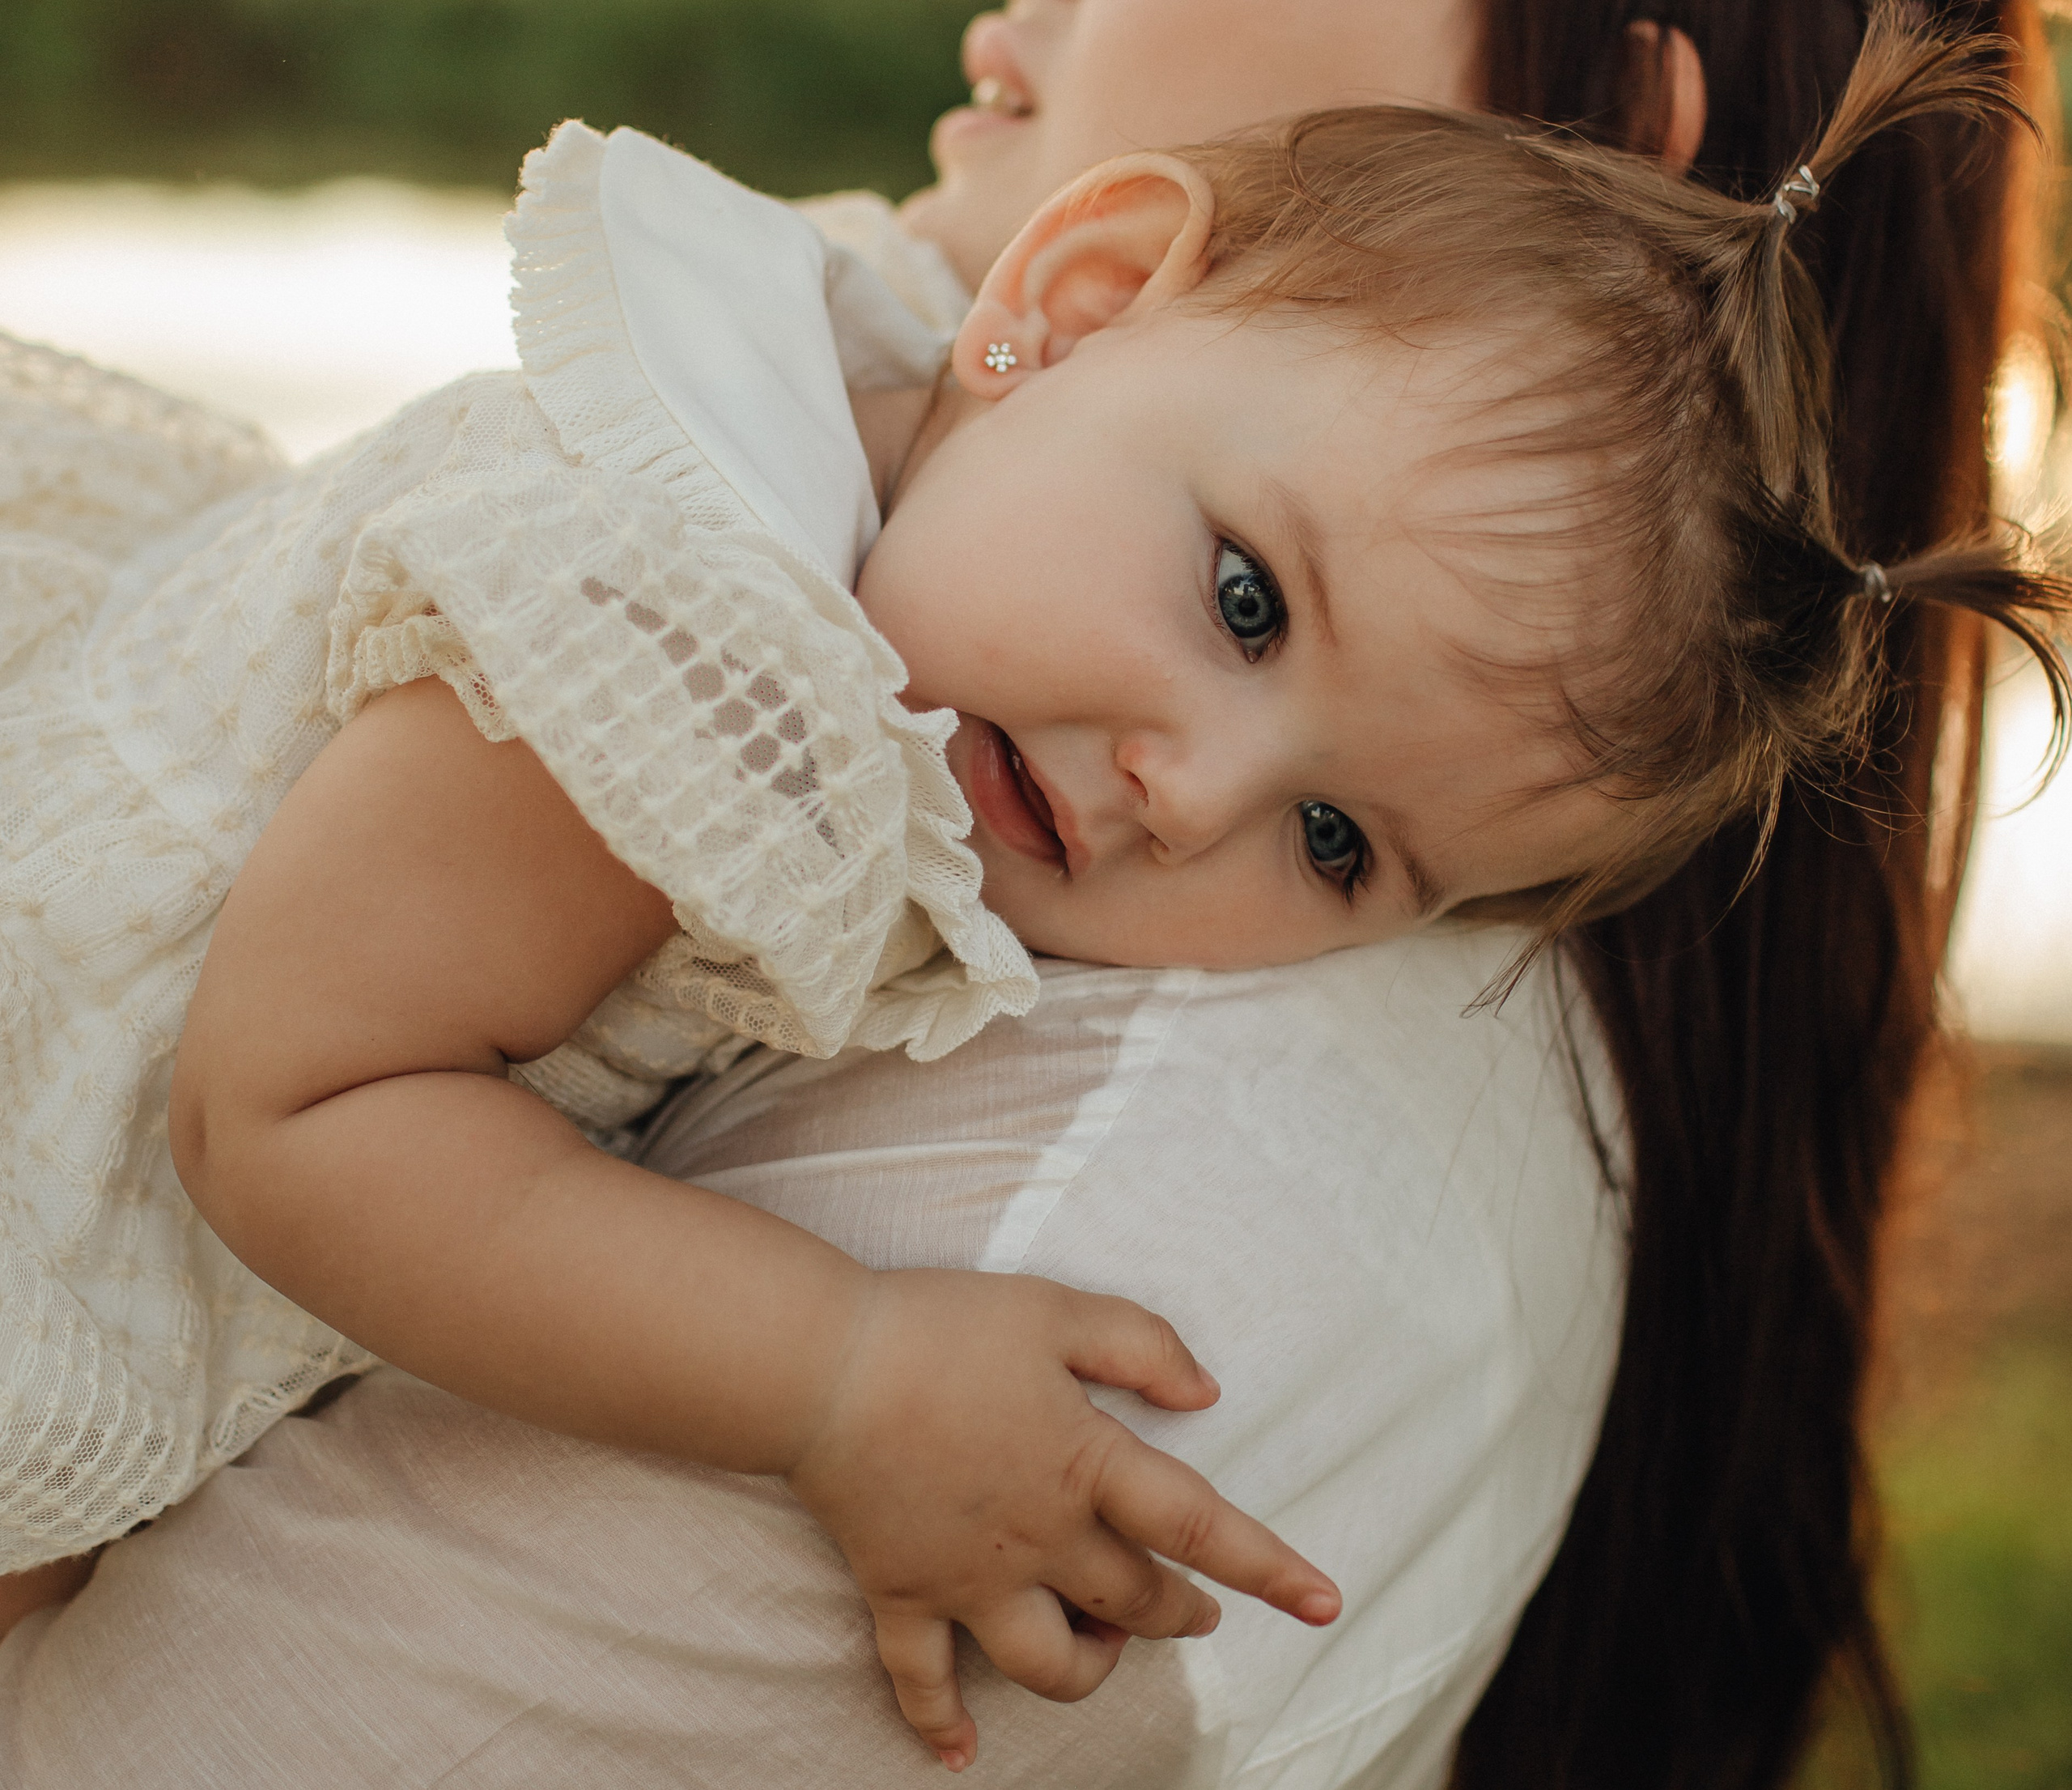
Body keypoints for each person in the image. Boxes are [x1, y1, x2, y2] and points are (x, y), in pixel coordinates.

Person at [0, 6, 2049, 1790]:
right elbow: (279, 1109)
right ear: (1066, 306)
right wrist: (837, 1374)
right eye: (1243, 597)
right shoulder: (686, 631)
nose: (1194, 792)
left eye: (1339, 848)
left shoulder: (957, 504)